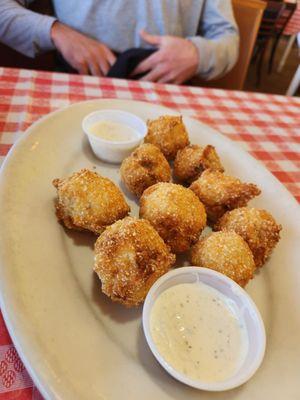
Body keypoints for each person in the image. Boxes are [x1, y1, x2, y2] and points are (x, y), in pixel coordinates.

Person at [0, 0, 239, 84]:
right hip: (79, 81)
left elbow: (227, 37)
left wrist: (198, 54)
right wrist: (55, 31)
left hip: (167, 88)